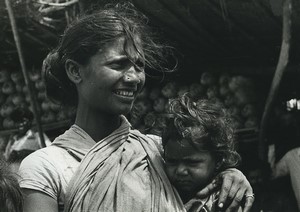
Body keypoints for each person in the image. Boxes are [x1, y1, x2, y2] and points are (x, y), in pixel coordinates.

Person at [18, 2, 254, 212]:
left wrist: (230, 176)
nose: (133, 77)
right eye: (118, 64)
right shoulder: (46, 166)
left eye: (139, 66)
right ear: (75, 71)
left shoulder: (158, 151)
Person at [163, 94, 248, 211]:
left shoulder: (224, 202)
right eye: (172, 161)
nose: (180, 171)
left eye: (192, 162)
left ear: (218, 160)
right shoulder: (162, 189)